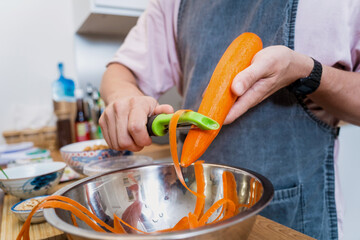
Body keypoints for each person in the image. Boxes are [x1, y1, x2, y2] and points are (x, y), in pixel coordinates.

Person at [99, 0, 360, 239]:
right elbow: (120, 71)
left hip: (297, 215)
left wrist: (306, 72)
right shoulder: (175, 3)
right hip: (198, 208)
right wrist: (124, 98)